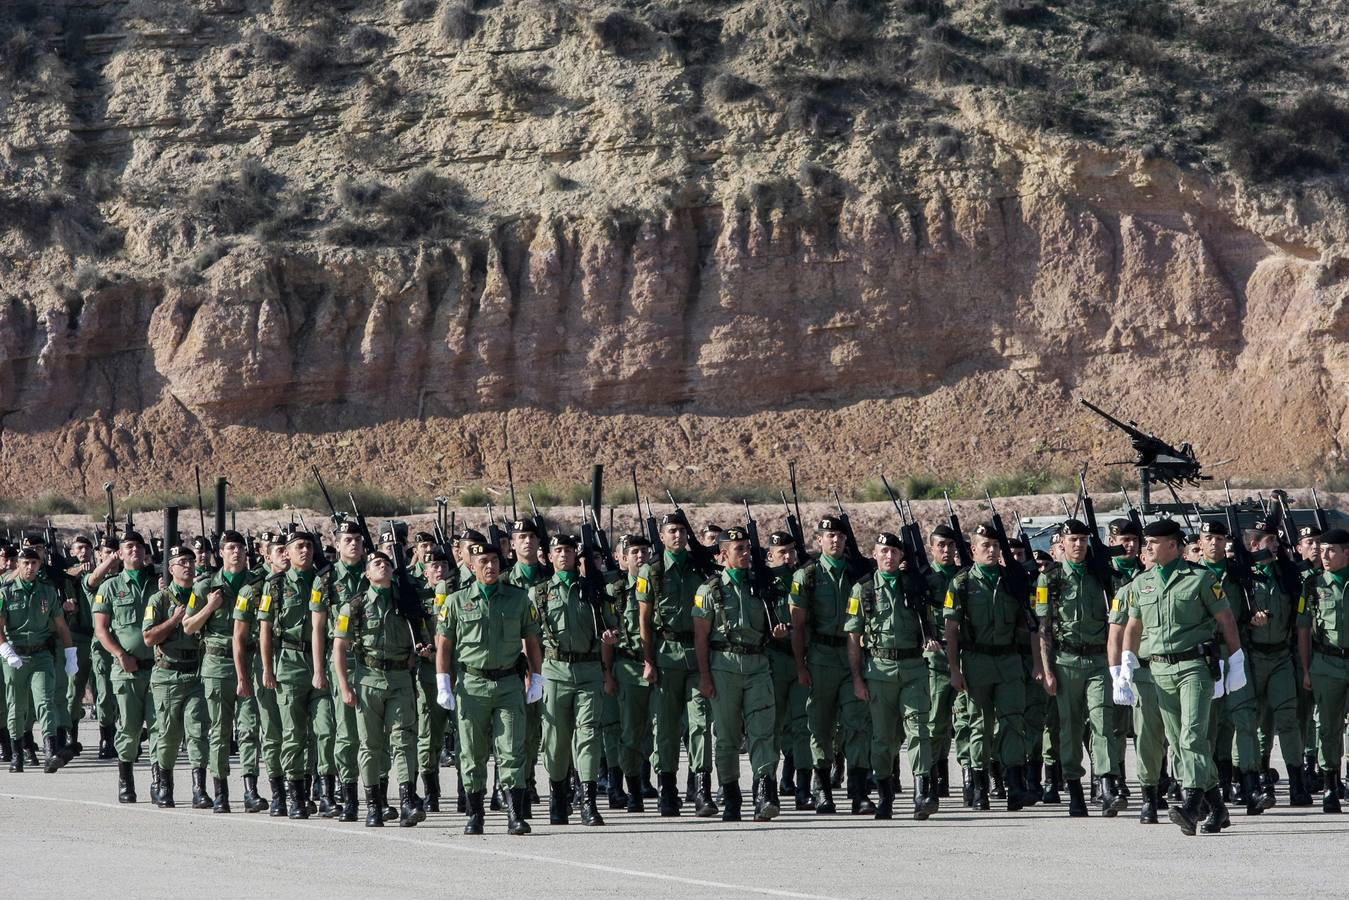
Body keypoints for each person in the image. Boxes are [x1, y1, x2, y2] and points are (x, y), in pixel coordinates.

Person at [1119, 518, 1245, 835]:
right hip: (1159, 670)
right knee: (1179, 743)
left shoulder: (1200, 579)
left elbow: (1226, 618)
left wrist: (1236, 659)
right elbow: (1134, 627)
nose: (1146, 547)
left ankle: (1191, 806)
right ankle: (1217, 809)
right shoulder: (1141, 584)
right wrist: (1125, 664)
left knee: (1191, 736)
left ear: (1173, 546)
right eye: (1146, 542)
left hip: (1194, 668)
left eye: (1153, 542)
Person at [435, 541, 543, 835]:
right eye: (483, 561)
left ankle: (514, 814)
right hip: (472, 684)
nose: (490, 566)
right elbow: (444, 644)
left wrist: (537, 677)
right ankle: (475, 813)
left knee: (512, 750)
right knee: (472, 752)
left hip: (509, 683)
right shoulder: (456, 601)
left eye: (494, 560)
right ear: (471, 566)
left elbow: (531, 640)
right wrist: (443, 681)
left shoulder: (518, 599)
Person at [943, 523, 1039, 812]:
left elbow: (1032, 625)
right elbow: (951, 629)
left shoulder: (1012, 579)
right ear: (973, 550)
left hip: (1009, 662)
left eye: (995, 546)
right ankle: (980, 786)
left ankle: (1015, 785)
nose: (992, 550)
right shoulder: (961, 583)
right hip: (977, 662)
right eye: (985, 546)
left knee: (1013, 722)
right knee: (980, 726)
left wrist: (1037, 663)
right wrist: (954, 669)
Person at [333, 551, 430, 827]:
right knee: (371, 746)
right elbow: (339, 647)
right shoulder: (355, 606)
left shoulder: (406, 601)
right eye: (377, 563)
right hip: (368, 680)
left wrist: (422, 648)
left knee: (403, 740)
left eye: (387, 563)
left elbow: (422, 633)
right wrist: (344, 686)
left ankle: (408, 801)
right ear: (367, 574)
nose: (383, 566)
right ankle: (373, 805)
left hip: (400, 679)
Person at [846, 532, 938, 820]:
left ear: (901, 557)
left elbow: (930, 621)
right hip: (879, 671)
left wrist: (931, 638)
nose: (888, 556)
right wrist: (857, 679)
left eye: (894, 552)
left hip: (913, 668)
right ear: (874, 554)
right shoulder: (862, 590)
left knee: (919, 731)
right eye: (883, 551)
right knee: (883, 739)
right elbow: (853, 635)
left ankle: (922, 793)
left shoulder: (914, 585)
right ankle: (885, 795)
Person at [1035, 520, 1119, 817]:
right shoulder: (1050, 579)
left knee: (1102, 722)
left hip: (1098, 661)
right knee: (1069, 726)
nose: (1079, 545)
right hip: (1066, 661)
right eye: (1073, 540)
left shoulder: (1100, 575)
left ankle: (1107, 785)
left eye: (1083, 540)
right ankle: (1074, 790)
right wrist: (1047, 671)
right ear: (1063, 543)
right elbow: (1044, 628)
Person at [791, 515, 872, 814]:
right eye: (829, 536)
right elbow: (798, 626)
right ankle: (822, 789)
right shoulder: (807, 576)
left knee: (857, 724)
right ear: (819, 540)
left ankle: (859, 791)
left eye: (839, 535)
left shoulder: (858, 574)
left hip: (853, 658)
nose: (835, 540)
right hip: (821, 657)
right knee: (821, 726)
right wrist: (801, 665)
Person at [638, 511, 716, 817]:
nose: (678, 536)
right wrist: (648, 660)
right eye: (672, 531)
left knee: (700, 724)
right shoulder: (652, 571)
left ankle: (701, 790)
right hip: (666, 653)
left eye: (682, 530)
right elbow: (644, 619)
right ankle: (667, 789)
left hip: (698, 655)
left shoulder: (700, 567)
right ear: (662, 535)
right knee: (666, 727)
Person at [531, 534, 613, 826]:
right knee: (555, 739)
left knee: (589, 734)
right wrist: (534, 677)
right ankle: (558, 795)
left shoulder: (592, 589)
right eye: (558, 550)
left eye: (568, 550)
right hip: (555, 672)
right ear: (549, 557)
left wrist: (609, 641)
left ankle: (588, 801)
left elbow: (609, 626)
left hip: (589, 670)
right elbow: (530, 639)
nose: (563, 555)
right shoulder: (539, 593)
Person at [92, 532, 160, 802]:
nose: (135, 551)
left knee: (159, 728)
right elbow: (101, 629)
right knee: (130, 729)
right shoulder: (109, 587)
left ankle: (159, 782)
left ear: (146, 552)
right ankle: (126, 779)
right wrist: (120, 654)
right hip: (126, 669)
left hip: (158, 667)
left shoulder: (158, 583)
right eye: (129, 547)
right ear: (119, 554)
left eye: (139, 547)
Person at [142, 545, 211, 809]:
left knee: (197, 732)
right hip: (167, 676)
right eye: (182, 562)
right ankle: (164, 786)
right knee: (169, 734)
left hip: (194, 673)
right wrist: (173, 621)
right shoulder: (159, 600)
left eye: (191, 562)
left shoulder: (199, 595)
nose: (188, 566)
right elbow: (148, 638)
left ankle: (199, 789)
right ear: (170, 569)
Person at [189, 530, 252, 813]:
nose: (236, 552)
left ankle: (251, 789)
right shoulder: (204, 587)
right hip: (217, 665)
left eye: (240, 547)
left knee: (250, 728)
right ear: (221, 553)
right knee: (220, 730)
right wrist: (210, 607)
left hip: (249, 661)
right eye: (230, 548)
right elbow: (189, 626)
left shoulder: (256, 584)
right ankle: (220, 791)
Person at [0, 547, 77, 773]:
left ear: (39, 565)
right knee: (17, 705)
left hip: (41, 653)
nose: (30, 567)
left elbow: (61, 625)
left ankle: (50, 752)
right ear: (19, 565)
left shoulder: (47, 591)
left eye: (34, 563)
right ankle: (16, 754)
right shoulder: (6, 592)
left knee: (45, 701)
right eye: (26, 563)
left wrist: (70, 654)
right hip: (15, 654)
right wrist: (5, 648)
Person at [1297, 527, 1349, 813]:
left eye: (1331, 550)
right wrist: (1306, 669)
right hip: (1326, 664)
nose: (1323, 554)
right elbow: (1303, 629)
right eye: (1322, 549)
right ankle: (1330, 784)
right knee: (1328, 727)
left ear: (1346, 553)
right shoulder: (1313, 585)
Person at [603, 533, 655, 811]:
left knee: (660, 730)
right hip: (629, 666)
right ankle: (633, 788)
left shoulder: (661, 585)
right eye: (634, 552)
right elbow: (607, 637)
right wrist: (609, 673)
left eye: (645, 551)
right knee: (631, 731)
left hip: (660, 663)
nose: (641, 556)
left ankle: (651, 780)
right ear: (623, 559)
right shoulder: (615, 592)